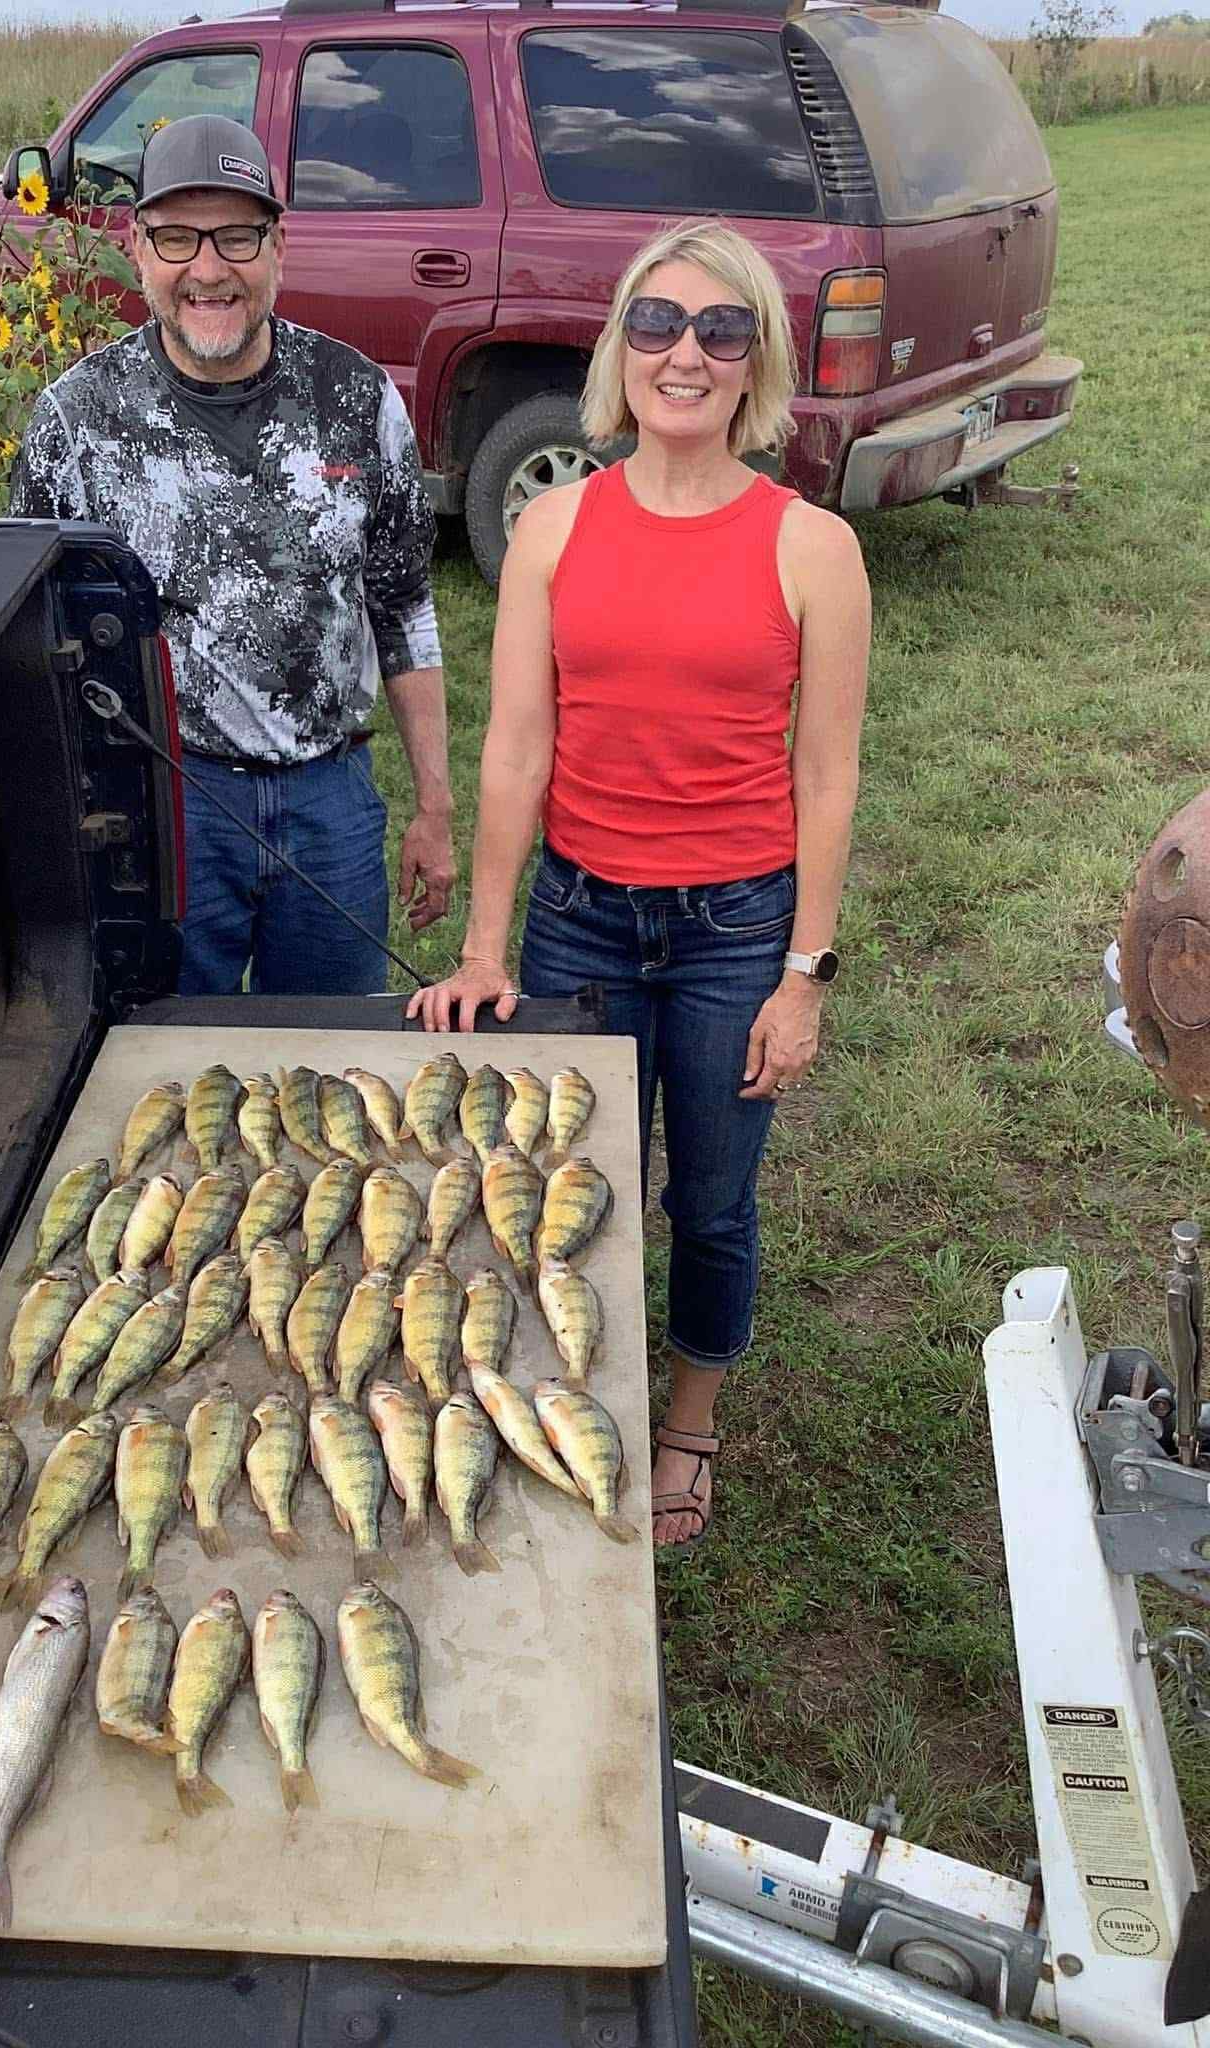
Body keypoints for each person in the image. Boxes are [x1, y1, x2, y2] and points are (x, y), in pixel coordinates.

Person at [408, 221, 870, 1550]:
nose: (687, 353)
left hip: (735, 931)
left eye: (722, 331)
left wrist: (804, 975)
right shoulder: (551, 528)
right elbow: (517, 747)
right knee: (563, 1190)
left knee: (713, 1203)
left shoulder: (811, 549)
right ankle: (568, 1393)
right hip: (580, 916)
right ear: (623, 348)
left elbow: (825, 778)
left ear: (754, 364)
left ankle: (687, 1422)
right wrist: (489, 948)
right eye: (660, 324)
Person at [10, 114, 454, 994]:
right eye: (178, 237)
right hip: (169, 806)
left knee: (332, 1073)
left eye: (237, 236)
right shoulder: (76, 422)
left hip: (331, 803)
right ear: (138, 248)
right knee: (167, 1071)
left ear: (277, 246)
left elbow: (403, 608)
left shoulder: (356, 401)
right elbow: (30, 643)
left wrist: (436, 805)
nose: (208, 269)